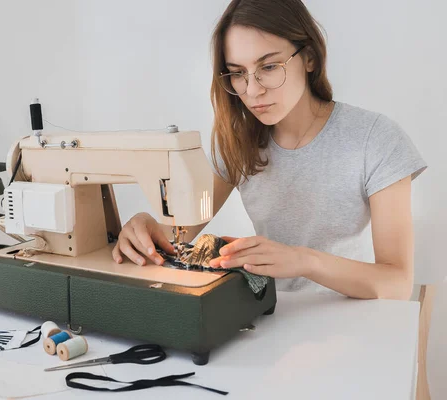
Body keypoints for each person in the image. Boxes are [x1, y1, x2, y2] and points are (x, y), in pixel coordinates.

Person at [111, 0, 427, 300]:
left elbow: (397, 282)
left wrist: (304, 261)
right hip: (273, 318)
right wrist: (147, 228)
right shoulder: (239, 143)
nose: (252, 89)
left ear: (310, 58)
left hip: (351, 319)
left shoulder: (375, 139)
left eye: (269, 66)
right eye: (237, 73)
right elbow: (176, 234)